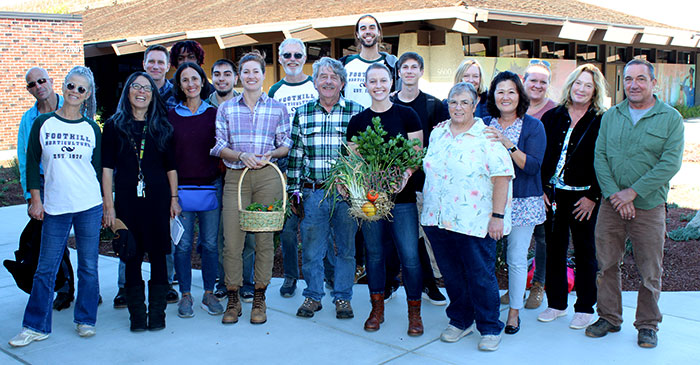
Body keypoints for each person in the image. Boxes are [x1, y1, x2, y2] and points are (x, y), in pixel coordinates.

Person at [586, 59, 684, 348]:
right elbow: (600, 157)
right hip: (611, 205)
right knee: (606, 265)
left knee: (650, 270)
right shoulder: (611, 116)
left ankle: (647, 325)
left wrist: (633, 193)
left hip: (650, 206)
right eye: (629, 79)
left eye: (641, 79)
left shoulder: (670, 118)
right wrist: (617, 195)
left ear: (654, 83)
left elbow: (669, 163)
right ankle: (609, 317)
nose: (634, 85)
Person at [10, 66, 103, 347]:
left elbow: (98, 170)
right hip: (55, 207)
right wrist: (35, 199)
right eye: (71, 86)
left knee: (89, 266)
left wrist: (108, 207)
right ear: (62, 86)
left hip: (89, 205)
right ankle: (35, 325)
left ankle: (86, 319)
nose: (74, 92)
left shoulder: (91, 128)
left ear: (87, 96)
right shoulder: (42, 123)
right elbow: (30, 163)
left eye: (81, 89)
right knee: (45, 267)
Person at [421, 82, 514, 351]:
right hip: (439, 218)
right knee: (452, 274)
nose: (458, 107)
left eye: (464, 102)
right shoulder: (439, 134)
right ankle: (460, 320)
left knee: (480, 274)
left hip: (474, 221)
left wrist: (497, 216)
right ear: (447, 105)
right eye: (453, 102)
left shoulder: (487, 136)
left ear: (475, 106)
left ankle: (489, 326)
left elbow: (502, 176)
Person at [210, 51, 291, 325]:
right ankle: (233, 298)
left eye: (256, 71)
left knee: (264, 240)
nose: (251, 76)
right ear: (239, 76)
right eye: (246, 72)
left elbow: (286, 143)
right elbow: (219, 146)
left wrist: (271, 155)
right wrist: (241, 156)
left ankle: (259, 297)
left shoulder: (278, 108)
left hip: (268, 176)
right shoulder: (226, 109)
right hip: (236, 178)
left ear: (263, 74)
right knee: (232, 241)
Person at [346, 63, 424, 336]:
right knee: (375, 255)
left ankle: (414, 312)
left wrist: (407, 172)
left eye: (383, 80)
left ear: (392, 83)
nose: (378, 86)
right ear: (365, 85)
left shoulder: (408, 115)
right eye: (372, 81)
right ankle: (376, 307)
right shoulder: (358, 121)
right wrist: (356, 183)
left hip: (402, 201)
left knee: (410, 257)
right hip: (372, 200)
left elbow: (417, 155)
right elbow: (354, 162)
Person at [101, 72, 180, 332]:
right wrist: (109, 206)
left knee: (159, 257)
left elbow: (171, 167)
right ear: (128, 92)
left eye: (147, 88)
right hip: (126, 204)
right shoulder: (113, 126)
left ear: (153, 95)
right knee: (130, 256)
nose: (141, 92)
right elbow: (107, 169)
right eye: (136, 86)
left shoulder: (162, 125)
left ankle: (157, 315)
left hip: (157, 203)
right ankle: (137, 315)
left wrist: (174, 198)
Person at [288, 57, 363, 319]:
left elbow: (364, 157)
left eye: (334, 77)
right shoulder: (303, 113)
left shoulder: (357, 112)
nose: (328, 81)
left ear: (342, 83)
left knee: (345, 249)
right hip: (314, 193)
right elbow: (296, 155)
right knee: (311, 250)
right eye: (323, 77)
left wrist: (358, 190)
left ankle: (343, 298)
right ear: (315, 83)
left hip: (346, 196)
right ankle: (313, 296)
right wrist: (294, 192)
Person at [538, 64, 608, 329]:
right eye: (578, 83)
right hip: (553, 195)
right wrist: (542, 189)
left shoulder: (601, 119)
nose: (581, 89)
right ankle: (556, 304)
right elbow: (542, 157)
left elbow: (605, 161)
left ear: (595, 90)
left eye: (588, 85)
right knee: (554, 250)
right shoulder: (553, 116)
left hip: (584, 198)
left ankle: (585, 307)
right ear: (570, 85)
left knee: (585, 250)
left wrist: (594, 196)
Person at [114, 44, 180, 309]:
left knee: (160, 235)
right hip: (131, 179)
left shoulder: (175, 95)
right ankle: (124, 288)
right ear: (144, 64)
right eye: (150, 61)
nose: (155, 66)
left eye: (160, 62)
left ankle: (166, 285)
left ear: (167, 66)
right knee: (129, 235)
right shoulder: (130, 97)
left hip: (160, 174)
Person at [483, 71, 546, 335]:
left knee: (516, 258)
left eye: (511, 91)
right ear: (493, 96)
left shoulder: (533, 126)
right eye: (500, 91)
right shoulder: (483, 123)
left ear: (519, 95)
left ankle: (513, 313)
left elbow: (531, 166)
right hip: (487, 202)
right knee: (483, 257)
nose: (505, 97)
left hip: (523, 201)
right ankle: (484, 308)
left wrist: (508, 143)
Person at [390, 51, 448, 306]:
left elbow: (442, 143)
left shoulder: (433, 105)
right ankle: (391, 281)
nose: (410, 71)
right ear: (399, 72)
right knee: (396, 234)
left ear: (421, 71)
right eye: (405, 67)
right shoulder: (389, 102)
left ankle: (428, 283)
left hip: (424, 182)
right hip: (392, 182)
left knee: (424, 234)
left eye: (415, 67)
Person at [169, 62, 224, 318]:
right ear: (179, 85)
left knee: (211, 245)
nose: (190, 84)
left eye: (195, 79)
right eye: (185, 80)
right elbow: (167, 158)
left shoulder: (215, 114)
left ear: (202, 82)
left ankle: (209, 293)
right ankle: (186, 295)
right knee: (181, 246)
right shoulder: (171, 116)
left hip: (210, 188)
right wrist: (171, 196)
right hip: (180, 191)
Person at [17, 66, 74, 311]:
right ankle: (64, 289)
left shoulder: (72, 106)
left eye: (41, 80)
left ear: (51, 81)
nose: (38, 86)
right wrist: (31, 196)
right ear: (29, 90)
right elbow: (24, 158)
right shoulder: (28, 119)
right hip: (43, 182)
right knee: (52, 238)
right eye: (32, 84)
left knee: (79, 238)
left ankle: (87, 290)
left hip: (72, 180)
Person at [503, 60, 558, 309]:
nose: (537, 85)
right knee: (512, 244)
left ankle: (538, 285)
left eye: (543, 81)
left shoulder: (554, 112)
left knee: (542, 239)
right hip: (508, 190)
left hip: (538, 188)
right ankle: (515, 289)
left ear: (548, 85)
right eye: (532, 80)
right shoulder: (506, 109)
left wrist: (546, 189)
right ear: (523, 81)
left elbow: (553, 157)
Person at [268, 38, 320, 298]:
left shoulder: (316, 85)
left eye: (297, 55)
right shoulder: (275, 91)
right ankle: (290, 276)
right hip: (286, 167)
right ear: (279, 58)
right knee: (288, 228)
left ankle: (324, 276)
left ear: (304, 57)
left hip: (314, 165)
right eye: (286, 54)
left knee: (317, 225)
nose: (292, 59)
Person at [205, 58, 247, 301]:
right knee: (222, 232)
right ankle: (224, 280)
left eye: (227, 74)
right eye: (217, 74)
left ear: (235, 78)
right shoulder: (204, 106)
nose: (222, 78)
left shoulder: (244, 103)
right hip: (213, 176)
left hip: (241, 172)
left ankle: (247, 280)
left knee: (247, 228)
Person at [340, 14, 397, 108]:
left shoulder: (391, 64)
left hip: (382, 121)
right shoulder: (344, 64)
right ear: (357, 34)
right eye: (363, 28)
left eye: (372, 27)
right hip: (352, 120)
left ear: (378, 32)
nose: (367, 31)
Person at [167, 40, 215, 105]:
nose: (186, 61)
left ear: (198, 60)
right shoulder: (168, 89)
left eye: (191, 57)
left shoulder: (211, 91)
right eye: (181, 58)